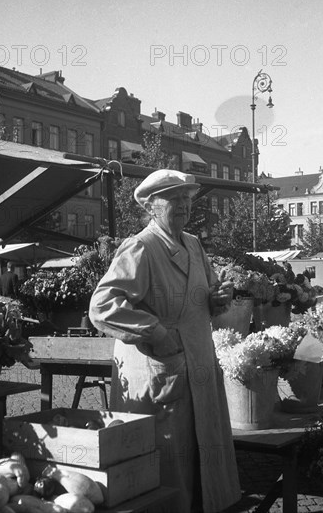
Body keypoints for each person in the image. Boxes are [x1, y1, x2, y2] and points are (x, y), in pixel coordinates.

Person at [89, 169, 241, 513]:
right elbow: (102, 306)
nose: (185, 206)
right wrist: (155, 333)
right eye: (175, 199)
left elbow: (202, 298)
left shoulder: (193, 244)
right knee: (169, 466)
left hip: (198, 363)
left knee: (204, 457)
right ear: (152, 206)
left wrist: (218, 298)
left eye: (187, 199)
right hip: (161, 372)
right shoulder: (141, 247)